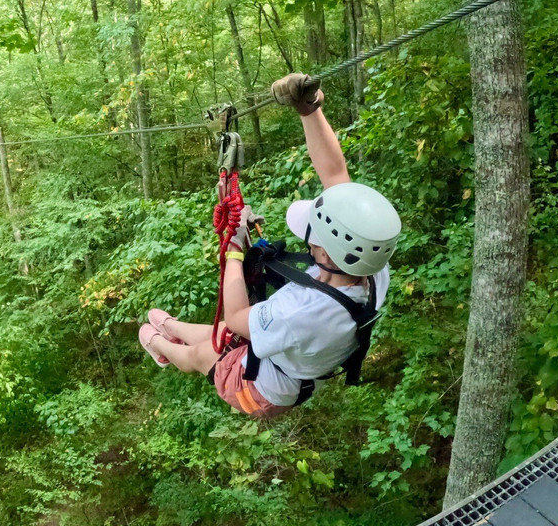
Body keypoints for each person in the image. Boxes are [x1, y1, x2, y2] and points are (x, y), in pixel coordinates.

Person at [138, 73, 401, 418]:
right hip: (291, 353)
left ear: (323, 252)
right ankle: (170, 326)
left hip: (260, 390)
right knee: (218, 336)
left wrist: (234, 248)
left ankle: (156, 343)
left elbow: (235, 318)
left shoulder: (298, 314)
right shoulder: (370, 266)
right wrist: (309, 110)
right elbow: (336, 176)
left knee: (205, 354)